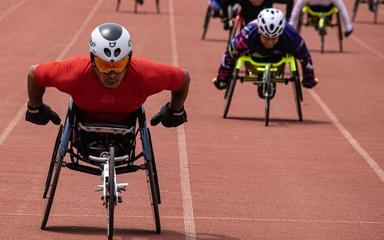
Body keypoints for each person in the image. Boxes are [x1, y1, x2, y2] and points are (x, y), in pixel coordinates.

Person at [25, 22, 189, 129]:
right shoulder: (74, 72)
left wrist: (175, 111)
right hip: (84, 118)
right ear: (93, 60)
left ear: (129, 58)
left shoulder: (145, 74)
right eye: (104, 65)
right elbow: (34, 73)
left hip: (127, 119)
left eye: (119, 64)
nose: (112, 73)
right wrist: (35, 108)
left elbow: (183, 78)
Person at [212, 8, 318, 94]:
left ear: (280, 34)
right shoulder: (246, 36)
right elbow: (229, 54)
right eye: (266, 38)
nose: (270, 42)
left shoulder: (292, 37)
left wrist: (309, 79)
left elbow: (305, 57)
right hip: (254, 57)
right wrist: (222, 79)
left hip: (278, 58)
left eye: (274, 38)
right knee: (233, 52)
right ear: (259, 32)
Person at [289, 0, 353, 37]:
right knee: (340, 6)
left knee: (298, 6)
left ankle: (291, 27)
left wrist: (291, 26)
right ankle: (348, 27)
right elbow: (342, 9)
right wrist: (348, 28)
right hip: (327, 12)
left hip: (312, 13)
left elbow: (296, 9)